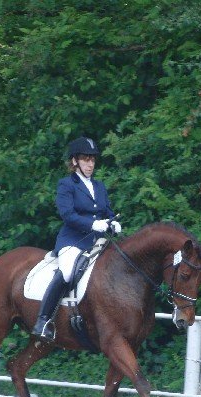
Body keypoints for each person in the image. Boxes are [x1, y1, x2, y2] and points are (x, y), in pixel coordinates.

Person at [31, 136, 121, 339]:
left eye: (92, 160)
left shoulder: (99, 186)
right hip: (73, 241)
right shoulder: (66, 185)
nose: (90, 164)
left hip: (98, 242)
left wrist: (113, 222)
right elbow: (68, 215)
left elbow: (107, 211)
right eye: (85, 159)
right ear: (75, 161)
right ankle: (43, 321)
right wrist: (92, 224)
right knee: (66, 273)